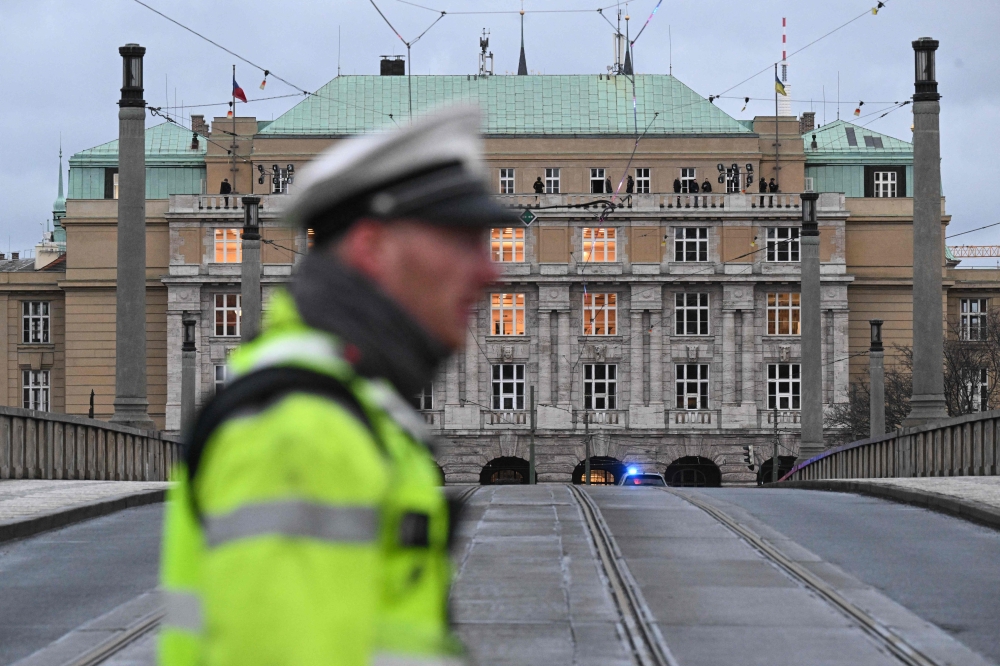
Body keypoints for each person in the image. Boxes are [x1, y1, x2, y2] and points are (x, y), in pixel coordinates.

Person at [158, 107, 511, 666]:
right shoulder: (301, 432)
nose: (491, 271)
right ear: (374, 248)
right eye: (463, 240)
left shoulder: (352, 406)